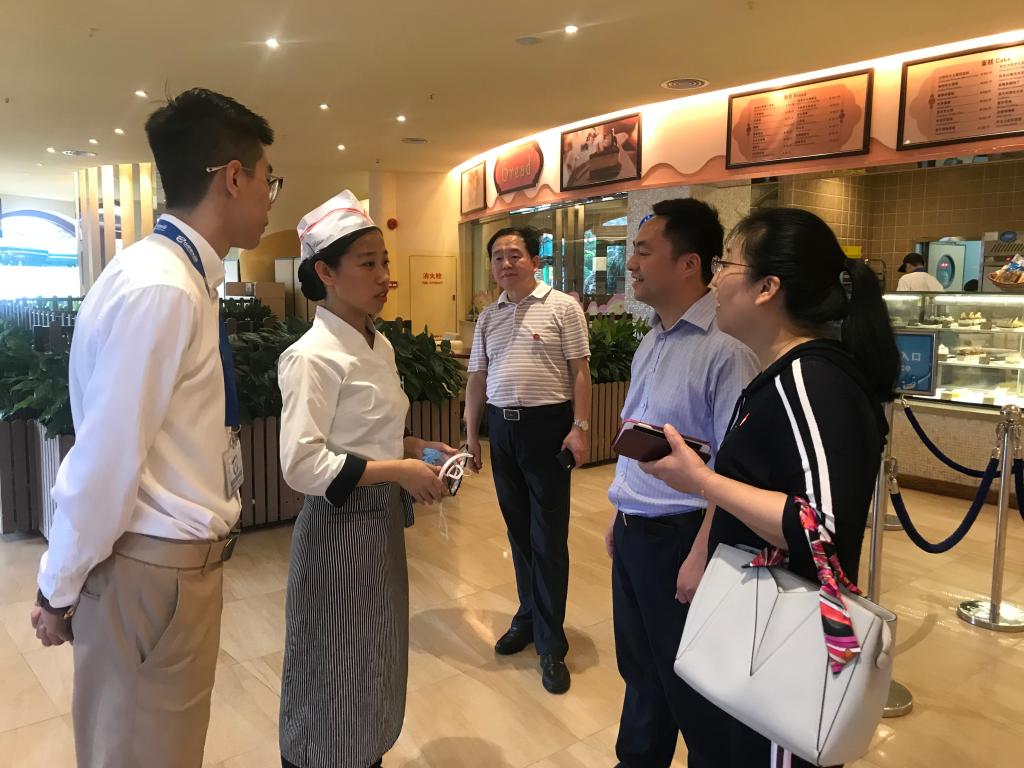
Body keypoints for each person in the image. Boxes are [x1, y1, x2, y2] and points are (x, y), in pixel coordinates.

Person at [29, 88, 279, 767]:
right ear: (233, 177)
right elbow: (105, 459)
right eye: (268, 180)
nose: (269, 196)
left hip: (169, 574)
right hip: (152, 576)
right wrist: (57, 586)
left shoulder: (178, 277)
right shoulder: (162, 287)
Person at [642, 207, 898, 768]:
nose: (714, 282)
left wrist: (702, 480)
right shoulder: (781, 375)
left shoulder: (813, 380)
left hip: (790, 636)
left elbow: (820, 526)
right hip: (757, 620)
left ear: (767, 288)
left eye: (726, 265)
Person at [277, 190, 457, 768]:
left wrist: (414, 448)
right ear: (325, 273)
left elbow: (364, 437)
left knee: (373, 662)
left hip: (379, 530)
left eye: (385, 262)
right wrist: (399, 470)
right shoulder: (312, 356)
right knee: (332, 672)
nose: (384, 277)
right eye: (368, 263)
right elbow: (302, 464)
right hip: (336, 534)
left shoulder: (379, 344)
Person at [606, 199, 759, 768]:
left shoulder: (727, 350)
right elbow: (638, 438)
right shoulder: (653, 338)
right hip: (636, 532)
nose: (632, 264)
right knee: (640, 670)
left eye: (645, 251)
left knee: (689, 684)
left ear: (689, 263)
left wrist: (700, 554)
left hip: (682, 538)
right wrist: (619, 514)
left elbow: (732, 470)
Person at [464, 225, 591, 694]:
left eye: (514, 254)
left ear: (536, 260)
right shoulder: (488, 317)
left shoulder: (562, 307)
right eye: (498, 256)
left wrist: (580, 428)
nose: (505, 263)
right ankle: (529, 615)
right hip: (502, 429)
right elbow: (477, 379)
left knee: (548, 537)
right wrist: (471, 435)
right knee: (519, 533)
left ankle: (552, 643)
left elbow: (580, 372)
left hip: (547, 428)